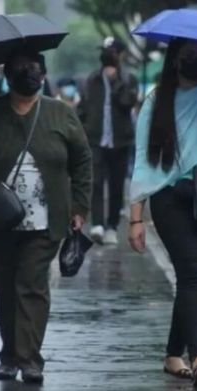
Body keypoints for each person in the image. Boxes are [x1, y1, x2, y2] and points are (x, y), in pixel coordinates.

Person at [0, 48, 92, 384]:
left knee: (31, 284)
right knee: (4, 285)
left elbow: (82, 160)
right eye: (22, 67)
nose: (30, 72)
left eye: (35, 67)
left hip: (46, 221)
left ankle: (29, 359)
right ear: (8, 75)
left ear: (43, 73)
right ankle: (9, 353)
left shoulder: (60, 114)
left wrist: (79, 207)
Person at [128, 38, 197, 386]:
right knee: (191, 275)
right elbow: (143, 160)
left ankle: (174, 354)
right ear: (176, 61)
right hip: (169, 198)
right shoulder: (156, 100)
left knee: (196, 280)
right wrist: (136, 217)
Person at [83, 37, 139, 245]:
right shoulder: (92, 79)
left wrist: (116, 82)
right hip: (96, 140)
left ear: (121, 55)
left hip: (120, 142)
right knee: (96, 183)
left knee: (116, 187)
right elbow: (84, 107)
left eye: (113, 52)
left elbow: (127, 102)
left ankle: (112, 225)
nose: (108, 56)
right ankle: (97, 224)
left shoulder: (129, 80)